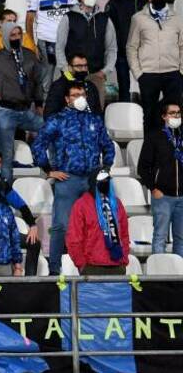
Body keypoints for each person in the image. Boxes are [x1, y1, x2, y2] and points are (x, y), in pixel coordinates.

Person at [32, 82, 116, 271]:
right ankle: (54, 270)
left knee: (98, 223)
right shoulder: (57, 120)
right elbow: (38, 144)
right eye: (75, 94)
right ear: (67, 99)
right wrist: (48, 170)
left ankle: (97, 265)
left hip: (92, 181)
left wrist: (106, 167)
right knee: (61, 225)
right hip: (68, 179)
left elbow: (108, 145)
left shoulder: (95, 120)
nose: (80, 98)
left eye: (83, 94)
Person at [0, 22, 45, 182]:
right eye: (13, 35)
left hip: (26, 110)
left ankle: (49, 167)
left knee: (52, 129)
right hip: (4, 111)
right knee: (6, 156)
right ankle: (6, 192)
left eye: (19, 35)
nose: (17, 38)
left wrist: (39, 104)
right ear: (5, 37)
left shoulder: (29, 55)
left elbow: (37, 81)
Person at [127, 0, 183, 131]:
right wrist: (138, 73)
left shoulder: (177, 18)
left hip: (173, 73)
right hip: (148, 74)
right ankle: (149, 151)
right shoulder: (138, 18)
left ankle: (174, 151)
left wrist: (181, 70)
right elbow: (131, 47)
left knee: (175, 115)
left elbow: (182, 45)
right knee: (150, 116)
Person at [26, 0, 78, 90]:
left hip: (66, 41)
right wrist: (32, 45)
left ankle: (67, 107)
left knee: (69, 76)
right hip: (48, 42)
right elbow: (29, 20)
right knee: (46, 77)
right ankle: (44, 108)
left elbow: (76, 14)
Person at [139, 101, 183, 257]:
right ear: (164, 116)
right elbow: (143, 167)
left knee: (181, 238)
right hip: (162, 196)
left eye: (178, 113)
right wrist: (153, 188)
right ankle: (159, 275)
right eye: (172, 113)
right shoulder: (154, 136)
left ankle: (179, 276)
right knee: (160, 237)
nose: (176, 116)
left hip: (182, 197)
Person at [66, 168, 129, 275]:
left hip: (117, 266)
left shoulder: (117, 204)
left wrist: (123, 259)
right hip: (91, 268)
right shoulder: (81, 205)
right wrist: (82, 265)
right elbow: (73, 239)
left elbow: (124, 235)